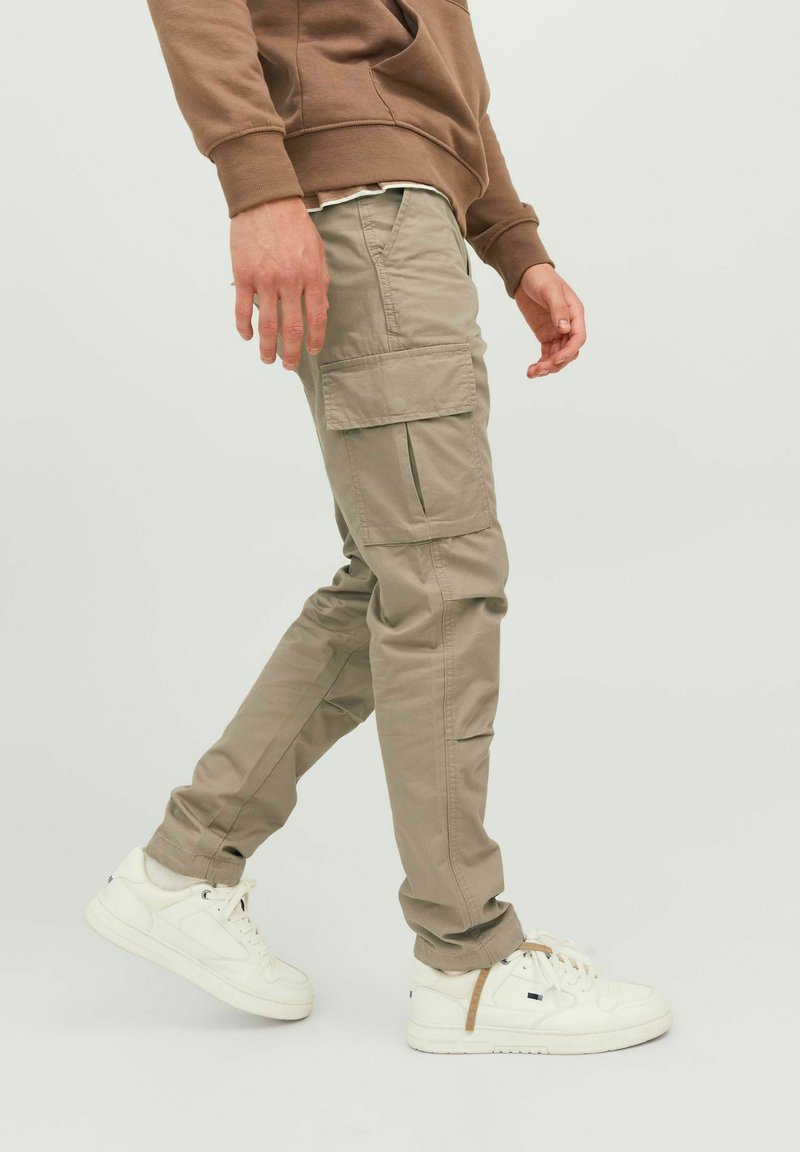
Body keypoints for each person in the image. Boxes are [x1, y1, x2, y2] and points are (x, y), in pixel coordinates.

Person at [85, 0, 672, 1055]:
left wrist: (511, 240)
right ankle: (466, 961)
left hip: (407, 208)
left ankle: (184, 868)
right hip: (364, 207)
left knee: (395, 575)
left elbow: (437, 53)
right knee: (440, 580)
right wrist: (259, 184)